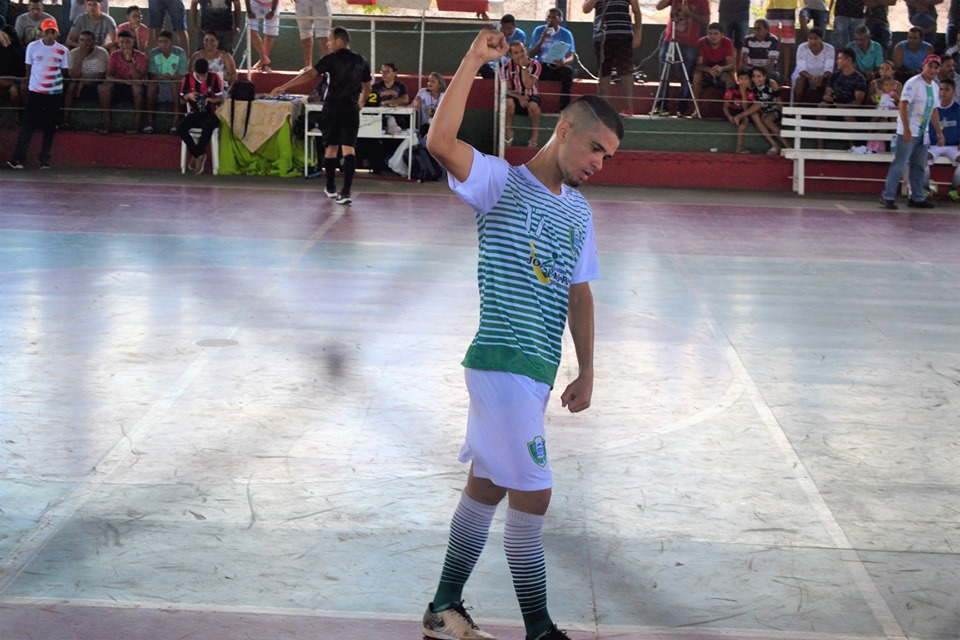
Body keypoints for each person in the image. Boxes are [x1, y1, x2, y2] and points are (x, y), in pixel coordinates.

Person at [421, 27, 623, 640]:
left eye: (608, 157)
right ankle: (539, 629)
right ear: (563, 130)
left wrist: (587, 370)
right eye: (593, 147)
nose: (598, 163)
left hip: (534, 373)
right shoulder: (500, 183)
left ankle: (442, 607)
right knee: (533, 495)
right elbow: (439, 140)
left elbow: (580, 292)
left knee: (485, 489)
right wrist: (472, 62)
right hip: (501, 364)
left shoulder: (579, 212)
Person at [269, 26, 371, 206]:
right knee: (349, 149)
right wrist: (362, 101)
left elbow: (309, 74)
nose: (327, 44)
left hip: (332, 108)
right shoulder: (361, 60)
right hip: (351, 109)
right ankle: (346, 192)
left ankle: (331, 187)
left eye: (330, 40)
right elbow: (367, 85)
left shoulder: (329, 59)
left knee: (330, 148)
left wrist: (285, 86)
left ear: (339, 41)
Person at [880, 53, 944, 209]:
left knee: (919, 166)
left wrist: (939, 131)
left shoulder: (935, 87)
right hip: (908, 130)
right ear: (924, 66)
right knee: (900, 164)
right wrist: (906, 129)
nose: (933, 70)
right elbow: (903, 105)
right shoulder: (914, 83)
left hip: (923, 132)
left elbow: (934, 110)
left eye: (936, 67)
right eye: (930, 66)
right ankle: (888, 196)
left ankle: (917, 196)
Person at [7, 17, 68, 170]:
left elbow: (63, 71)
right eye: (46, 31)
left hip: (54, 93)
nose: (49, 35)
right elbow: (29, 68)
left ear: (56, 33)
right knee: (27, 125)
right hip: (36, 92)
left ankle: (44, 160)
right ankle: (18, 159)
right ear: (41, 32)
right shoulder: (32, 47)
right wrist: (30, 84)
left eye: (52, 32)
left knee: (49, 127)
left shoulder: (63, 50)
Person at [583, 0, 642, 116]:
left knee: (626, 72)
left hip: (624, 36)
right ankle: (605, 110)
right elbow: (585, 9)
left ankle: (629, 108)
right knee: (604, 73)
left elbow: (637, 11)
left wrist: (638, 33)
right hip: (602, 38)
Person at [653, 0, 710, 116]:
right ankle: (662, 105)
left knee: (687, 75)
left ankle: (682, 107)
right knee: (665, 72)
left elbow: (706, 20)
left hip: (690, 42)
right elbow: (659, 7)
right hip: (670, 39)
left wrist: (690, 13)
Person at [361, 61, 409, 174]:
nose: (384, 74)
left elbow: (405, 100)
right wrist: (381, 96)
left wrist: (387, 102)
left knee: (396, 136)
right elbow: (368, 100)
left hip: (397, 118)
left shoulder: (400, 86)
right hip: (378, 118)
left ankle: (392, 164)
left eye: (387, 72)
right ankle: (376, 166)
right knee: (371, 138)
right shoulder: (376, 87)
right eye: (383, 72)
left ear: (395, 73)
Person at [177, 56, 223, 174]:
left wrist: (210, 100)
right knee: (181, 127)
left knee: (208, 126)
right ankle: (199, 154)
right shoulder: (187, 78)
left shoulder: (214, 78)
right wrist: (189, 96)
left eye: (204, 75)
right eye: (199, 75)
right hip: (194, 113)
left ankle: (196, 154)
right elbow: (181, 100)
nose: (201, 78)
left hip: (211, 113)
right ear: (194, 71)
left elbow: (220, 99)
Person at [528, 7, 576, 110]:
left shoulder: (566, 34)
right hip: (541, 65)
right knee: (530, 69)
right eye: (549, 17)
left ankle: (564, 106)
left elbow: (571, 57)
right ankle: (531, 101)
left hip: (556, 65)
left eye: (554, 17)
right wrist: (542, 39)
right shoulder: (539, 31)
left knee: (568, 71)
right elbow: (531, 54)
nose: (551, 20)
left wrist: (563, 62)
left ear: (560, 20)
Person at [62, 28, 109, 131]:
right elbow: (72, 75)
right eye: (82, 40)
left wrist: (84, 82)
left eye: (88, 40)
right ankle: (65, 120)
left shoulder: (102, 53)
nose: (84, 43)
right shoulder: (73, 53)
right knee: (71, 86)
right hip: (78, 84)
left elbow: (102, 76)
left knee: (103, 88)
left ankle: (106, 122)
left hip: (95, 84)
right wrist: (81, 58)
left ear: (94, 42)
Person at [145, 28, 188, 133]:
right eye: (160, 42)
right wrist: (161, 77)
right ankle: (150, 124)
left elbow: (182, 74)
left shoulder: (180, 53)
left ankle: (175, 125)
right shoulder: (153, 53)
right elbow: (151, 74)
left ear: (172, 42)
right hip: (159, 85)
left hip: (175, 85)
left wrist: (171, 77)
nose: (162, 44)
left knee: (175, 84)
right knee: (151, 85)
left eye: (165, 42)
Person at [501, 41, 542, 147]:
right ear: (511, 55)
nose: (521, 54)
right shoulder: (506, 67)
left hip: (531, 95)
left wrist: (524, 67)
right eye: (516, 52)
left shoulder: (535, 65)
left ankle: (535, 136)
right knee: (508, 102)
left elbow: (528, 85)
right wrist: (519, 97)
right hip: (515, 95)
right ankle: (508, 133)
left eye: (522, 51)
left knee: (534, 106)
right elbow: (507, 89)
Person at [104, 29, 146, 133]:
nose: (125, 45)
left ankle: (136, 125)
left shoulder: (141, 56)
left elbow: (138, 78)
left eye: (127, 42)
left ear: (133, 42)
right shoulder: (114, 55)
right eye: (122, 42)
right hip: (120, 84)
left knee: (137, 88)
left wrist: (130, 61)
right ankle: (106, 123)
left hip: (135, 86)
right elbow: (108, 76)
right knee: (104, 87)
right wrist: (125, 82)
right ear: (118, 43)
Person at [926, 78, 960, 199]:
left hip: (953, 146)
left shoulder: (958, 108)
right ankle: (924, 188)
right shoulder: (932, 108)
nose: (943, 92)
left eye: (947, 90)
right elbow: (924, 127)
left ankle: (954, 188)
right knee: (921, 159)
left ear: (953, 92)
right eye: (941, 89)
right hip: (934, 145)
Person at [693, 22, 735, 104]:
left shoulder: (727, 42)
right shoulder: (702, 42)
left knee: (730, 78)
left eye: (716, 34)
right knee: (696, 76)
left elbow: (731, 65)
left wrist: (721, 69)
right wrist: (709, 70)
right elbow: (698, 65)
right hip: (706, 70)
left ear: (721, 34)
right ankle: (696, 106)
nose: (713, 37)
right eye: (710, 34)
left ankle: (728, 107)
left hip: (722, 70)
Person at [791, 26, 834, 103]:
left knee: (830, 80)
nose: (813, 42)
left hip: (823, 75)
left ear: (821, 39)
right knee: (799, 80)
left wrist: (821, 77)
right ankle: (796, 106)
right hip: (804, 75)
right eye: (810, 39)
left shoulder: (830, 48)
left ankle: (825, 106)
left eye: (816, 39)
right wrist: (811, 77)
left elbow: (829, 69)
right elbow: (801, 69)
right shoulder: (802, 47)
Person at [751, 65, 787, 152]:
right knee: (755, 116)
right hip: (761, 111)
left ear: (765, 76)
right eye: (754, 76)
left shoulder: (771, 83)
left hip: (773, 110)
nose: (756, 79)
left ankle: (787, 145)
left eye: (759, 76)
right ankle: (774, 145)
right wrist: (761, 113)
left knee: (767, 120)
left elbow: (778, 100)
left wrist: (784, 116)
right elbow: (754, 103)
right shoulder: (752, 87)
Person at [479, 13, 525, 79]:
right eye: (504, 28)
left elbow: (515, 52)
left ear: (514, 26)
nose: (506, 31)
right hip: (496, 62)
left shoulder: (520, 35)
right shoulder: (498, 29)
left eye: (509, 28)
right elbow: (489, 24)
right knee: (482, 66)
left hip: (510, 63)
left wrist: (504, 39)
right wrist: (483, 13)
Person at [724, 67, 759, 152]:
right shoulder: (731, 90)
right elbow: (725, 106)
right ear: (738, 79)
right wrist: (729, 116)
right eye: (741, 79)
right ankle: (740, 147)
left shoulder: (750, 92)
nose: (743, 81)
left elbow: (746, 108)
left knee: (744, 121)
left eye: (746, 79)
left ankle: (739, 147)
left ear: (750, 80)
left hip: (743, 112)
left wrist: (743, 93)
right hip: (732, 111)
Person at [763, 0, 796, 82]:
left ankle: (786, 77)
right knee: (769, 43)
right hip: (772, 7)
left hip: (789, 7)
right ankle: (768, 74)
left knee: (787, 44)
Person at [294, 0, 330, 70]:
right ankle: (308, 66)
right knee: (304, 33)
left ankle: (326, 66)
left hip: (320, 2)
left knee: (323, 33)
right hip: (301, 3)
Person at [244, 0, 278, 71]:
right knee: (250, 29)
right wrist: (249, 11)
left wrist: (272, 11)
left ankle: (263, 64)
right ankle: (263, 57)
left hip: (272, 4)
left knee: (270, 33)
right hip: (255, 2)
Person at [0, 24, 25, 115]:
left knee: (14, 92)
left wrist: (8, 47)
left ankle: (17, 115)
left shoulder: (19, 50)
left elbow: (20, 70)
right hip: (2, 79)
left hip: (15, 80)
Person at [718, 0, 750, 68]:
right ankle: (726, 71)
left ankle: (739, 72)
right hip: (725, 10)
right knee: (724, 42)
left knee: (742, 43)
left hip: (742, 11)